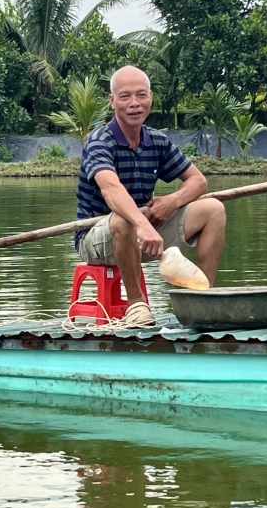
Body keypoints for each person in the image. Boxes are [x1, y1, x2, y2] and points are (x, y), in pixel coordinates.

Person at [75, 65, 226, 326]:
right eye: (125, 97)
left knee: (213, 209)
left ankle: (202, 298)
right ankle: (137, 306)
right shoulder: (100, 141)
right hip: (96, 236)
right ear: (112, 102)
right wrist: (142, 225)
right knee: (123, 219)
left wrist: (172, 201)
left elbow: (197, 180)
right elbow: (111, 190)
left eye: (141, 95)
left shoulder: (156, 141)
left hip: (145, 232)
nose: (134, 104)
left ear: (151, 98)